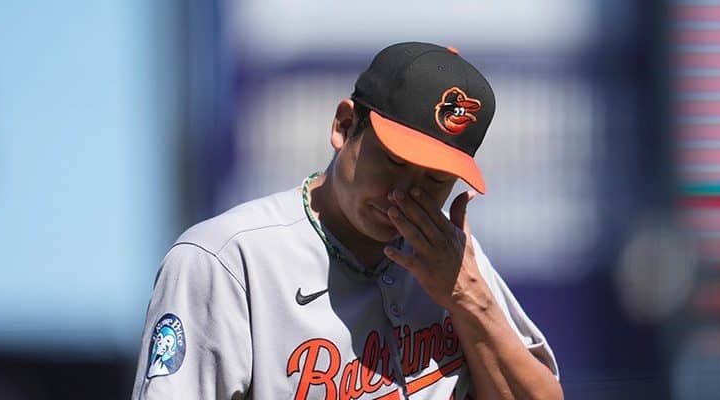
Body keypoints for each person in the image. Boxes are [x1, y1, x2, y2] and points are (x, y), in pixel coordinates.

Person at [131, 41, 562, 399]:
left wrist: (470, 299)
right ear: (344, 125)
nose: (404, 194)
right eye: (393, 161)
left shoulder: (454, 261)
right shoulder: (227, 259)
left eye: (435, 179)